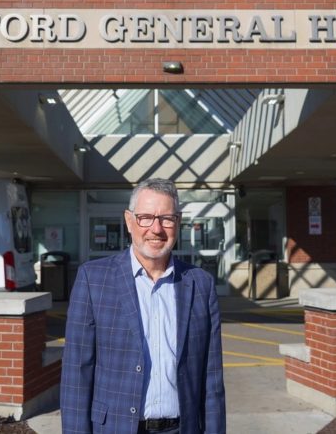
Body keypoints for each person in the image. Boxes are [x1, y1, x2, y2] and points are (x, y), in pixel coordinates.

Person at [60, 178, 226, 434]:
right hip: (116, 427)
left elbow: (212, 379)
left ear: (178, 222)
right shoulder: (93, 279)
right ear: (129, 221)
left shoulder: (200, 284)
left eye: (166, 218)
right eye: (145, 217)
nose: (156, 229)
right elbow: (76, 374)